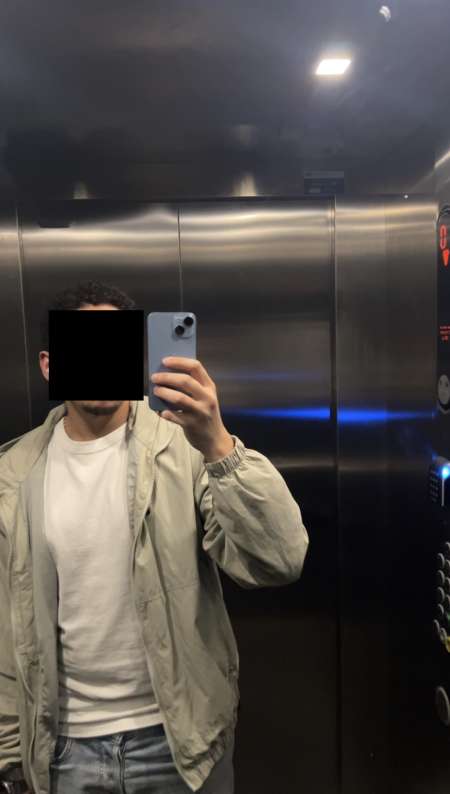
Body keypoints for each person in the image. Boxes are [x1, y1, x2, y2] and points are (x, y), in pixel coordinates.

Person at [0, 280, 309, 794]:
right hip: (62, 752)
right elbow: (7, 631)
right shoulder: (13, 475)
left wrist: (218, 444)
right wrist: (11, 758)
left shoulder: (187, 449)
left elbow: (278, 560)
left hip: (181, 744)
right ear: (50, 365)